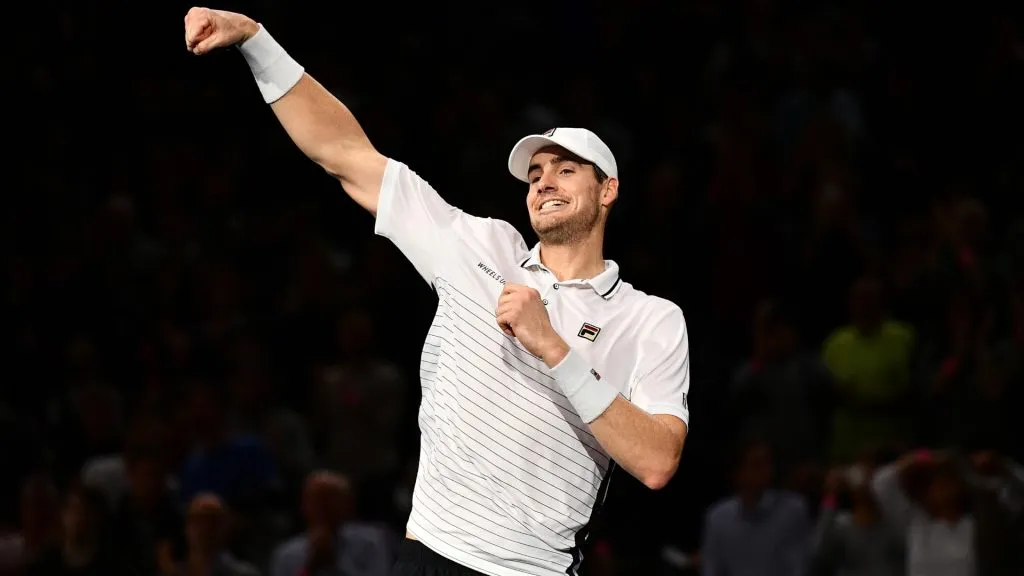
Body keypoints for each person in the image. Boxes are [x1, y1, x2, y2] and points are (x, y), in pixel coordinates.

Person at [183, 8, 691, 576]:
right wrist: (255, 40)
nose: (544, 180)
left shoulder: (651, 319)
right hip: (427, 555)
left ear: (608, 190)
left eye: (567, 170)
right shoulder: (481, 247)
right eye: (536, 174)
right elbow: (345, 155)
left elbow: (657, 461)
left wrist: (555, 348)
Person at [270, 471, 394, 576]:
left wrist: (335, 564)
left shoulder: (371, 542)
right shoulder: (287, 554)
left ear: (349, 505)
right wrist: (311, 566)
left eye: (332, 500)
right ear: (304, 505)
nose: (325, 507)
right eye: (318, 499)